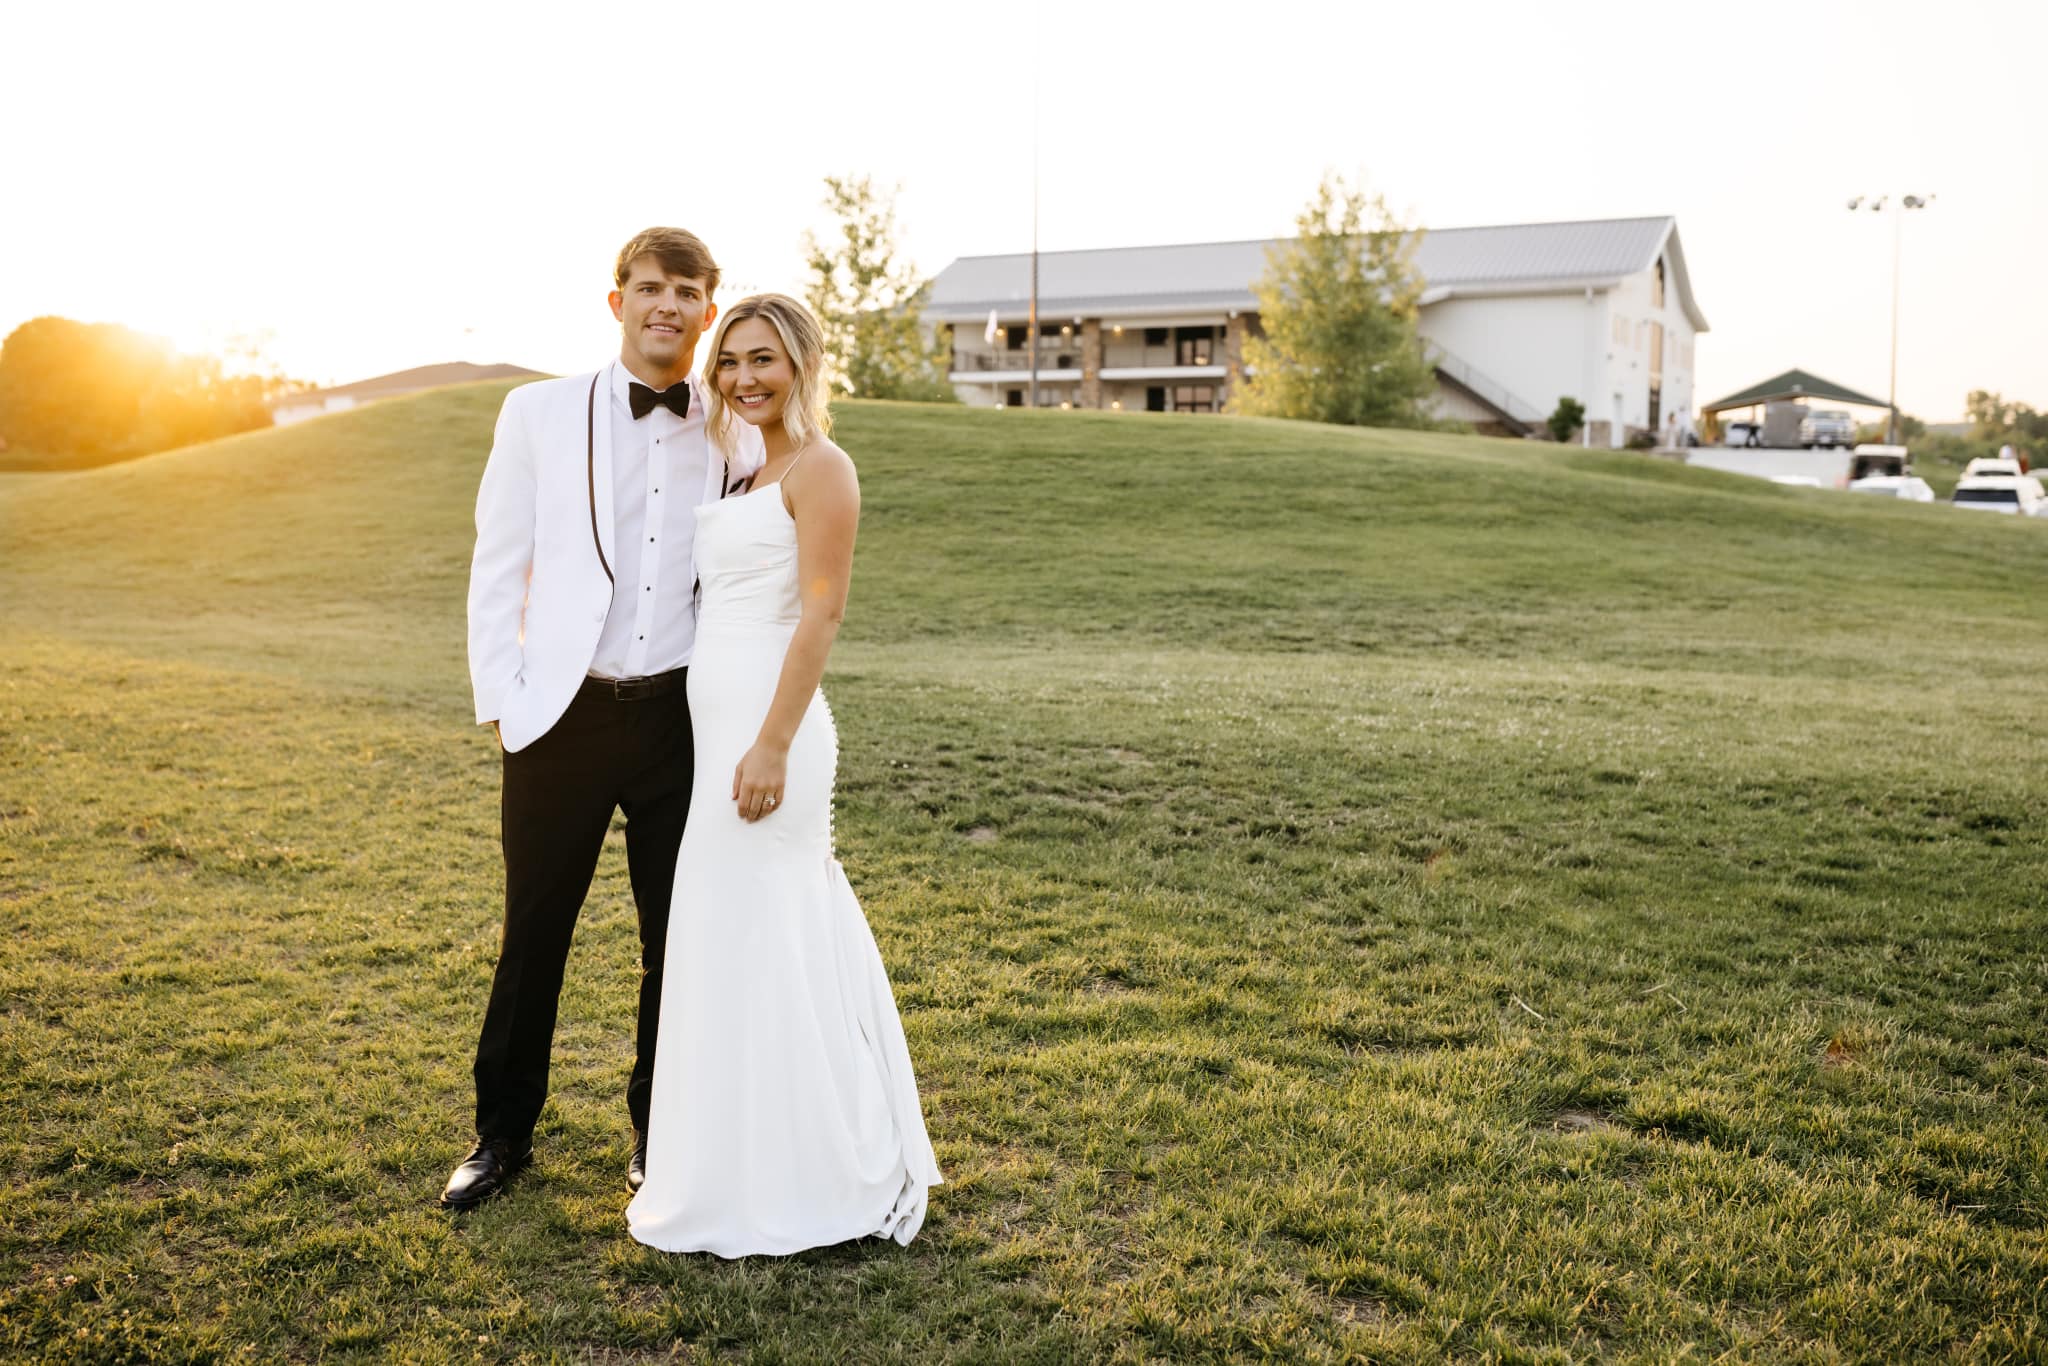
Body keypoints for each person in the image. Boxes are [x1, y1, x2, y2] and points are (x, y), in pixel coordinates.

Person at [444, 229, 765, 1209]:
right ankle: (501, 1136)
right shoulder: (537, 412)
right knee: (533, 930)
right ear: (616, 299)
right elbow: (497, 561)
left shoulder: (737, 426)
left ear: (709, 309)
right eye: (649, 288)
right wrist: (502, 698)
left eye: (686, 292)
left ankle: (656, 1134)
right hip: (560, 717)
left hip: (680, 720)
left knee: (679, 939)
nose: (666, 305)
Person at [625, 294, 941, 1256]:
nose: (743, 377)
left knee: (775, 934)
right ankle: (730, 1159)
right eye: (730, 362)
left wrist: (770, 744)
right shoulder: (743, 471)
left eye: (763, 359)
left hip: (774, 735)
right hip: (714, 726)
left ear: (803, 364)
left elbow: (820, 617)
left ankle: (813, 1167)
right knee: (727, 942)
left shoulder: (824, 469)